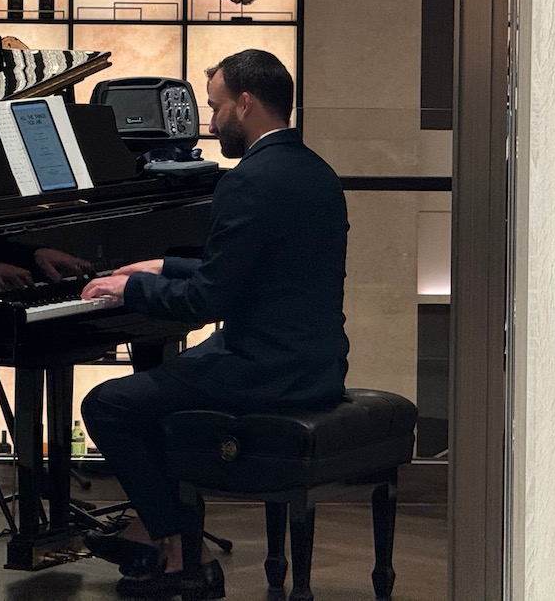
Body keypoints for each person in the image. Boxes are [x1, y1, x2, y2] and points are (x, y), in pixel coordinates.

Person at [77, 49, 350, 599]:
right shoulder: (317, 172)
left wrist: (128, 287)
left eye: (216, 107)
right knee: (159, 390)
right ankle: (159, 531)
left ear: (245, 104)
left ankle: (178, 555)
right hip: (314, 361)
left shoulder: (246, 181)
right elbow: (256, 271)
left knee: (108, 404)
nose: (210, 122)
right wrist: (163, 265)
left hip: (263, 369)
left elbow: (205, 302)